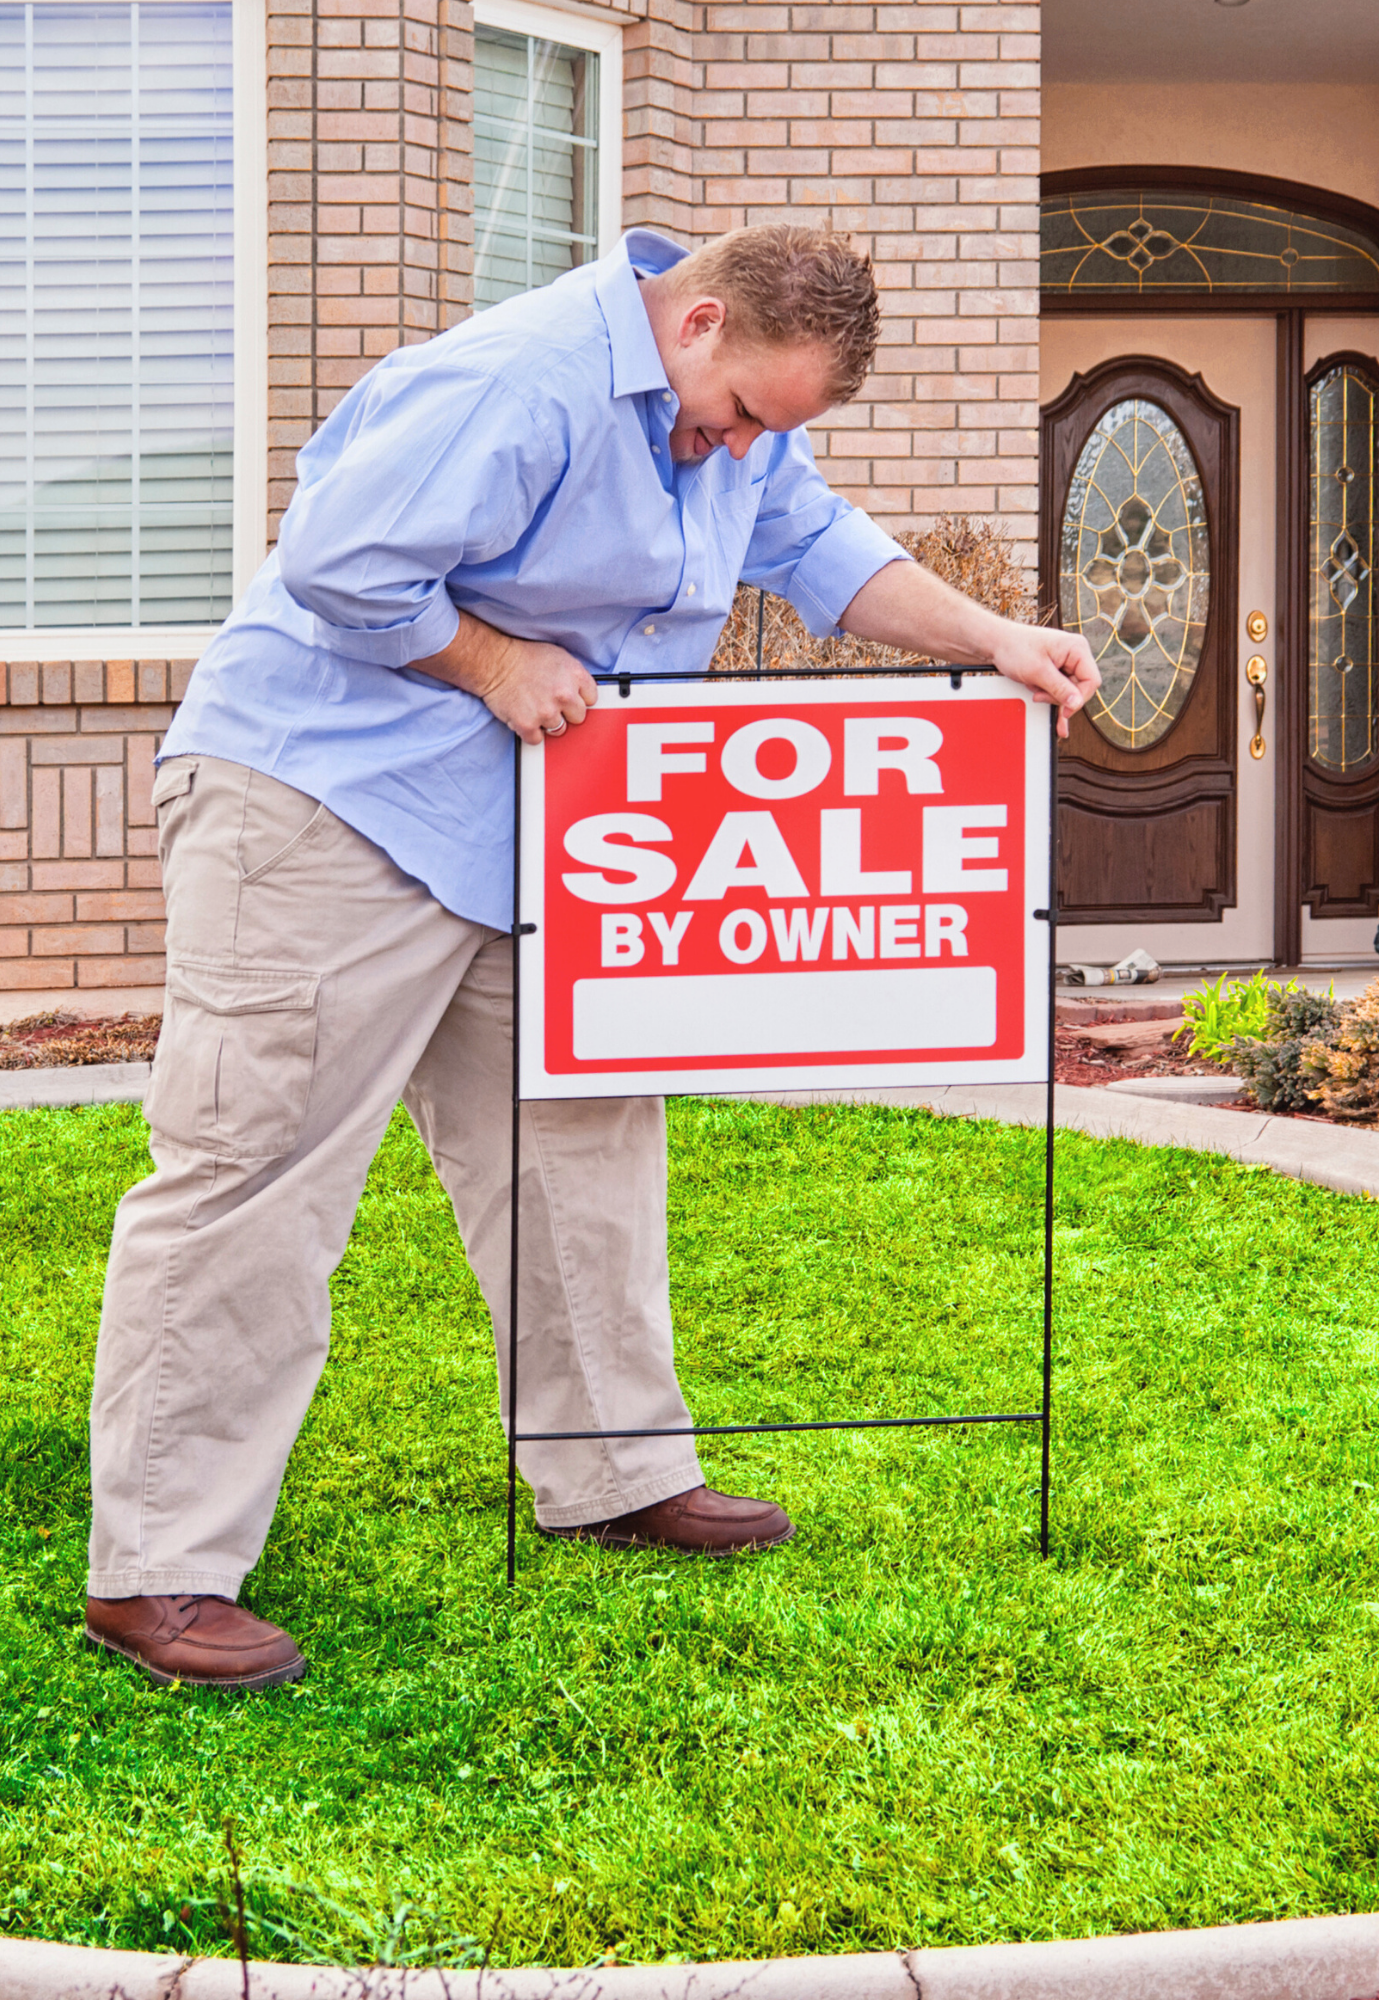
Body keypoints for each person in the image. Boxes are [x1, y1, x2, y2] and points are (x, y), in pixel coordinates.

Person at [82, 223, 1101, 1693]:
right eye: (745, 413)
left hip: (519, 824)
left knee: (584, 1131)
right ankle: (161, 1571)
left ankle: (613, 1469)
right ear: (695, 327)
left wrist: (995, 636)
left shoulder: (736, 423)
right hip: (322, 799)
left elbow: (815, 547)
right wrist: (494, 663)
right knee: (259, 1162)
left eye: (775, 431)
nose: (742, 447)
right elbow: (336, 560)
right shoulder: (522, 381)